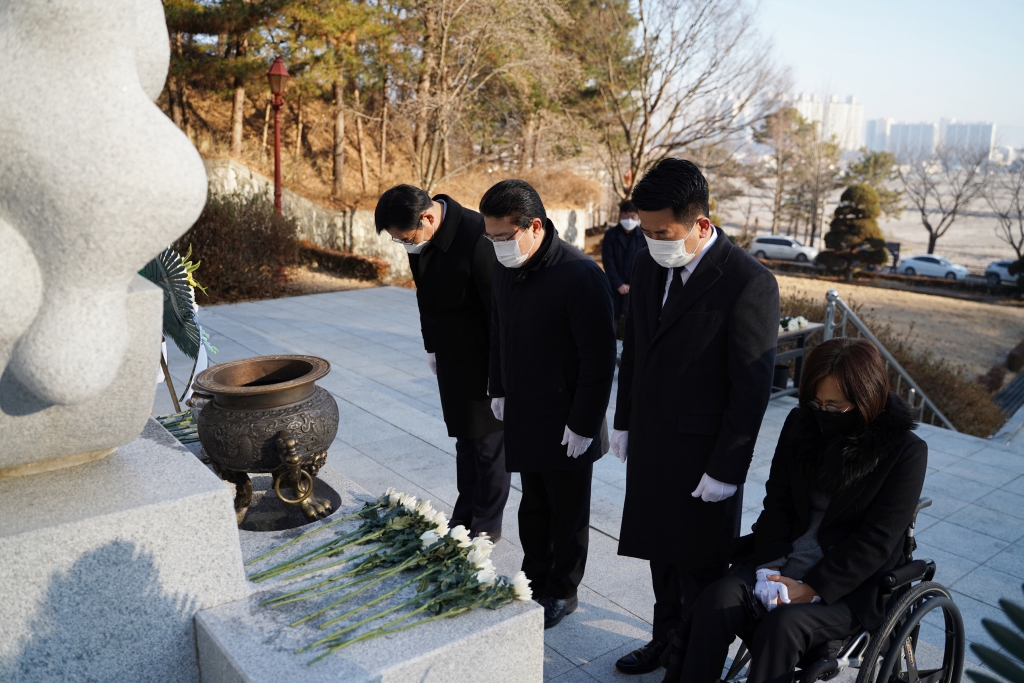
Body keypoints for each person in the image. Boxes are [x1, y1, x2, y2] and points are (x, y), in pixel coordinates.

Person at [661, 337, 928, 683]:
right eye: (816, 402)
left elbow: (875, 541)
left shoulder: (905, 452)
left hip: (846, 586)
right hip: (783, 559)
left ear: (866, 400)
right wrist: (769, 566)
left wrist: (812, 588)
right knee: (716, 599)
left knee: (781, 626)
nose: (823, 413)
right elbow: (778, 501)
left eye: (835, 406)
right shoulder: (801, 423)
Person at [612, 158, 780, 675]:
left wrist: (727, 470)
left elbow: (750, 389)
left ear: (701, 224)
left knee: (701, 570)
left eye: (663, 232)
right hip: (651, 440)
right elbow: (635, 348)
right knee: (660, 557)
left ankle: (694, 656)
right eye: (646, 231)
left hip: (703, 454)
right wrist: (623, 419)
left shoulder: (748, 282)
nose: (652, 241)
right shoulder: (646, 263)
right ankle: (664, 641)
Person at [483, 179, 617, 629]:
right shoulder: (508, 266)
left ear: (534, 226)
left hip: (567, 419)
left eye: (504, 236)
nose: (499, 246)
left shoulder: (580, 275)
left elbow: (599, 361)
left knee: (568, 512)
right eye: (492, 238)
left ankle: (564, 588)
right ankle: (533, 575)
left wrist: (583, 423)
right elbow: (499, 333)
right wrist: (497, 387)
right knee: (533, 504)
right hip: (525, 408)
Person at [375, 185, 509, 541]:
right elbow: (425, 297)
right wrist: (431, 346)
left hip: (483, 357)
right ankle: (465, 513)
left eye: (406, 238)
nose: (406, 245)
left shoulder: (478, 236)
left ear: (428, 217)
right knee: (465, 439)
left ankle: (488, 522)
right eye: (399, 240)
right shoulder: (419, 238)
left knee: (488, 444)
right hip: (451, 355)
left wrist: (501, 376)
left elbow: (500, 311)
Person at [601, 200, 646, 335]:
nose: (629, 219)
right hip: (614, 286)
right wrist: (618, 284)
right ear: (620, 216)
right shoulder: (611, 235)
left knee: (634, 323)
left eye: (633, 216)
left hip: (636, 287)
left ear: (638, 217)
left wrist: (634, 284)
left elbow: (645, 263)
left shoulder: (644, 236)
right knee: (610, 320)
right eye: (626, 215)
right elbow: (608, 261)